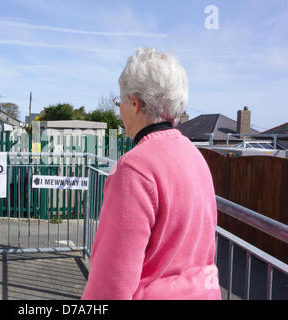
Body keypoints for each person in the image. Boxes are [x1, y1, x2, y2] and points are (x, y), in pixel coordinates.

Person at [82, 48, 221, 300]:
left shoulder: (134, 168)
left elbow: (111, 282)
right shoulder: (195, 156)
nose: (119, 111)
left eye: (119, 102)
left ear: (134, 103)